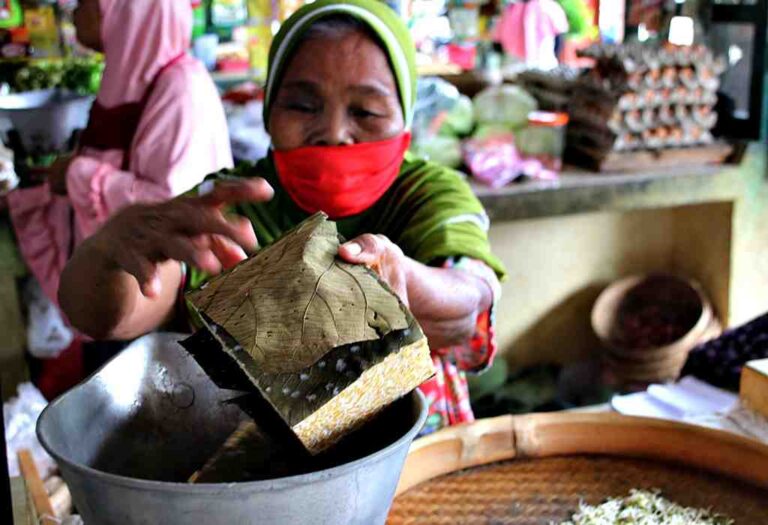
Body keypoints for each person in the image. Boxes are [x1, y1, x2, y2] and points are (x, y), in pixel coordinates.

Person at [59, 0, 507, 435]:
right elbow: (111, 316)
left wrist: (402, 276)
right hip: (266, 476)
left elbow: (471, 298)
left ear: (404, 120)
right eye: (303, 106)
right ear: (268, 112)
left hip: (417, 453)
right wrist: (108, 249)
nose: (333, 132)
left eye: (365, 111)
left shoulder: (427, 192)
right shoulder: (230, 204)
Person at [7, 0, 232, 306]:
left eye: (87, 2)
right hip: (114, 285)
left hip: (151, 299)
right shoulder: (130, 80)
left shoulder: (180, 88)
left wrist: (76, 175)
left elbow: (172, 207)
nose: (74, 11)